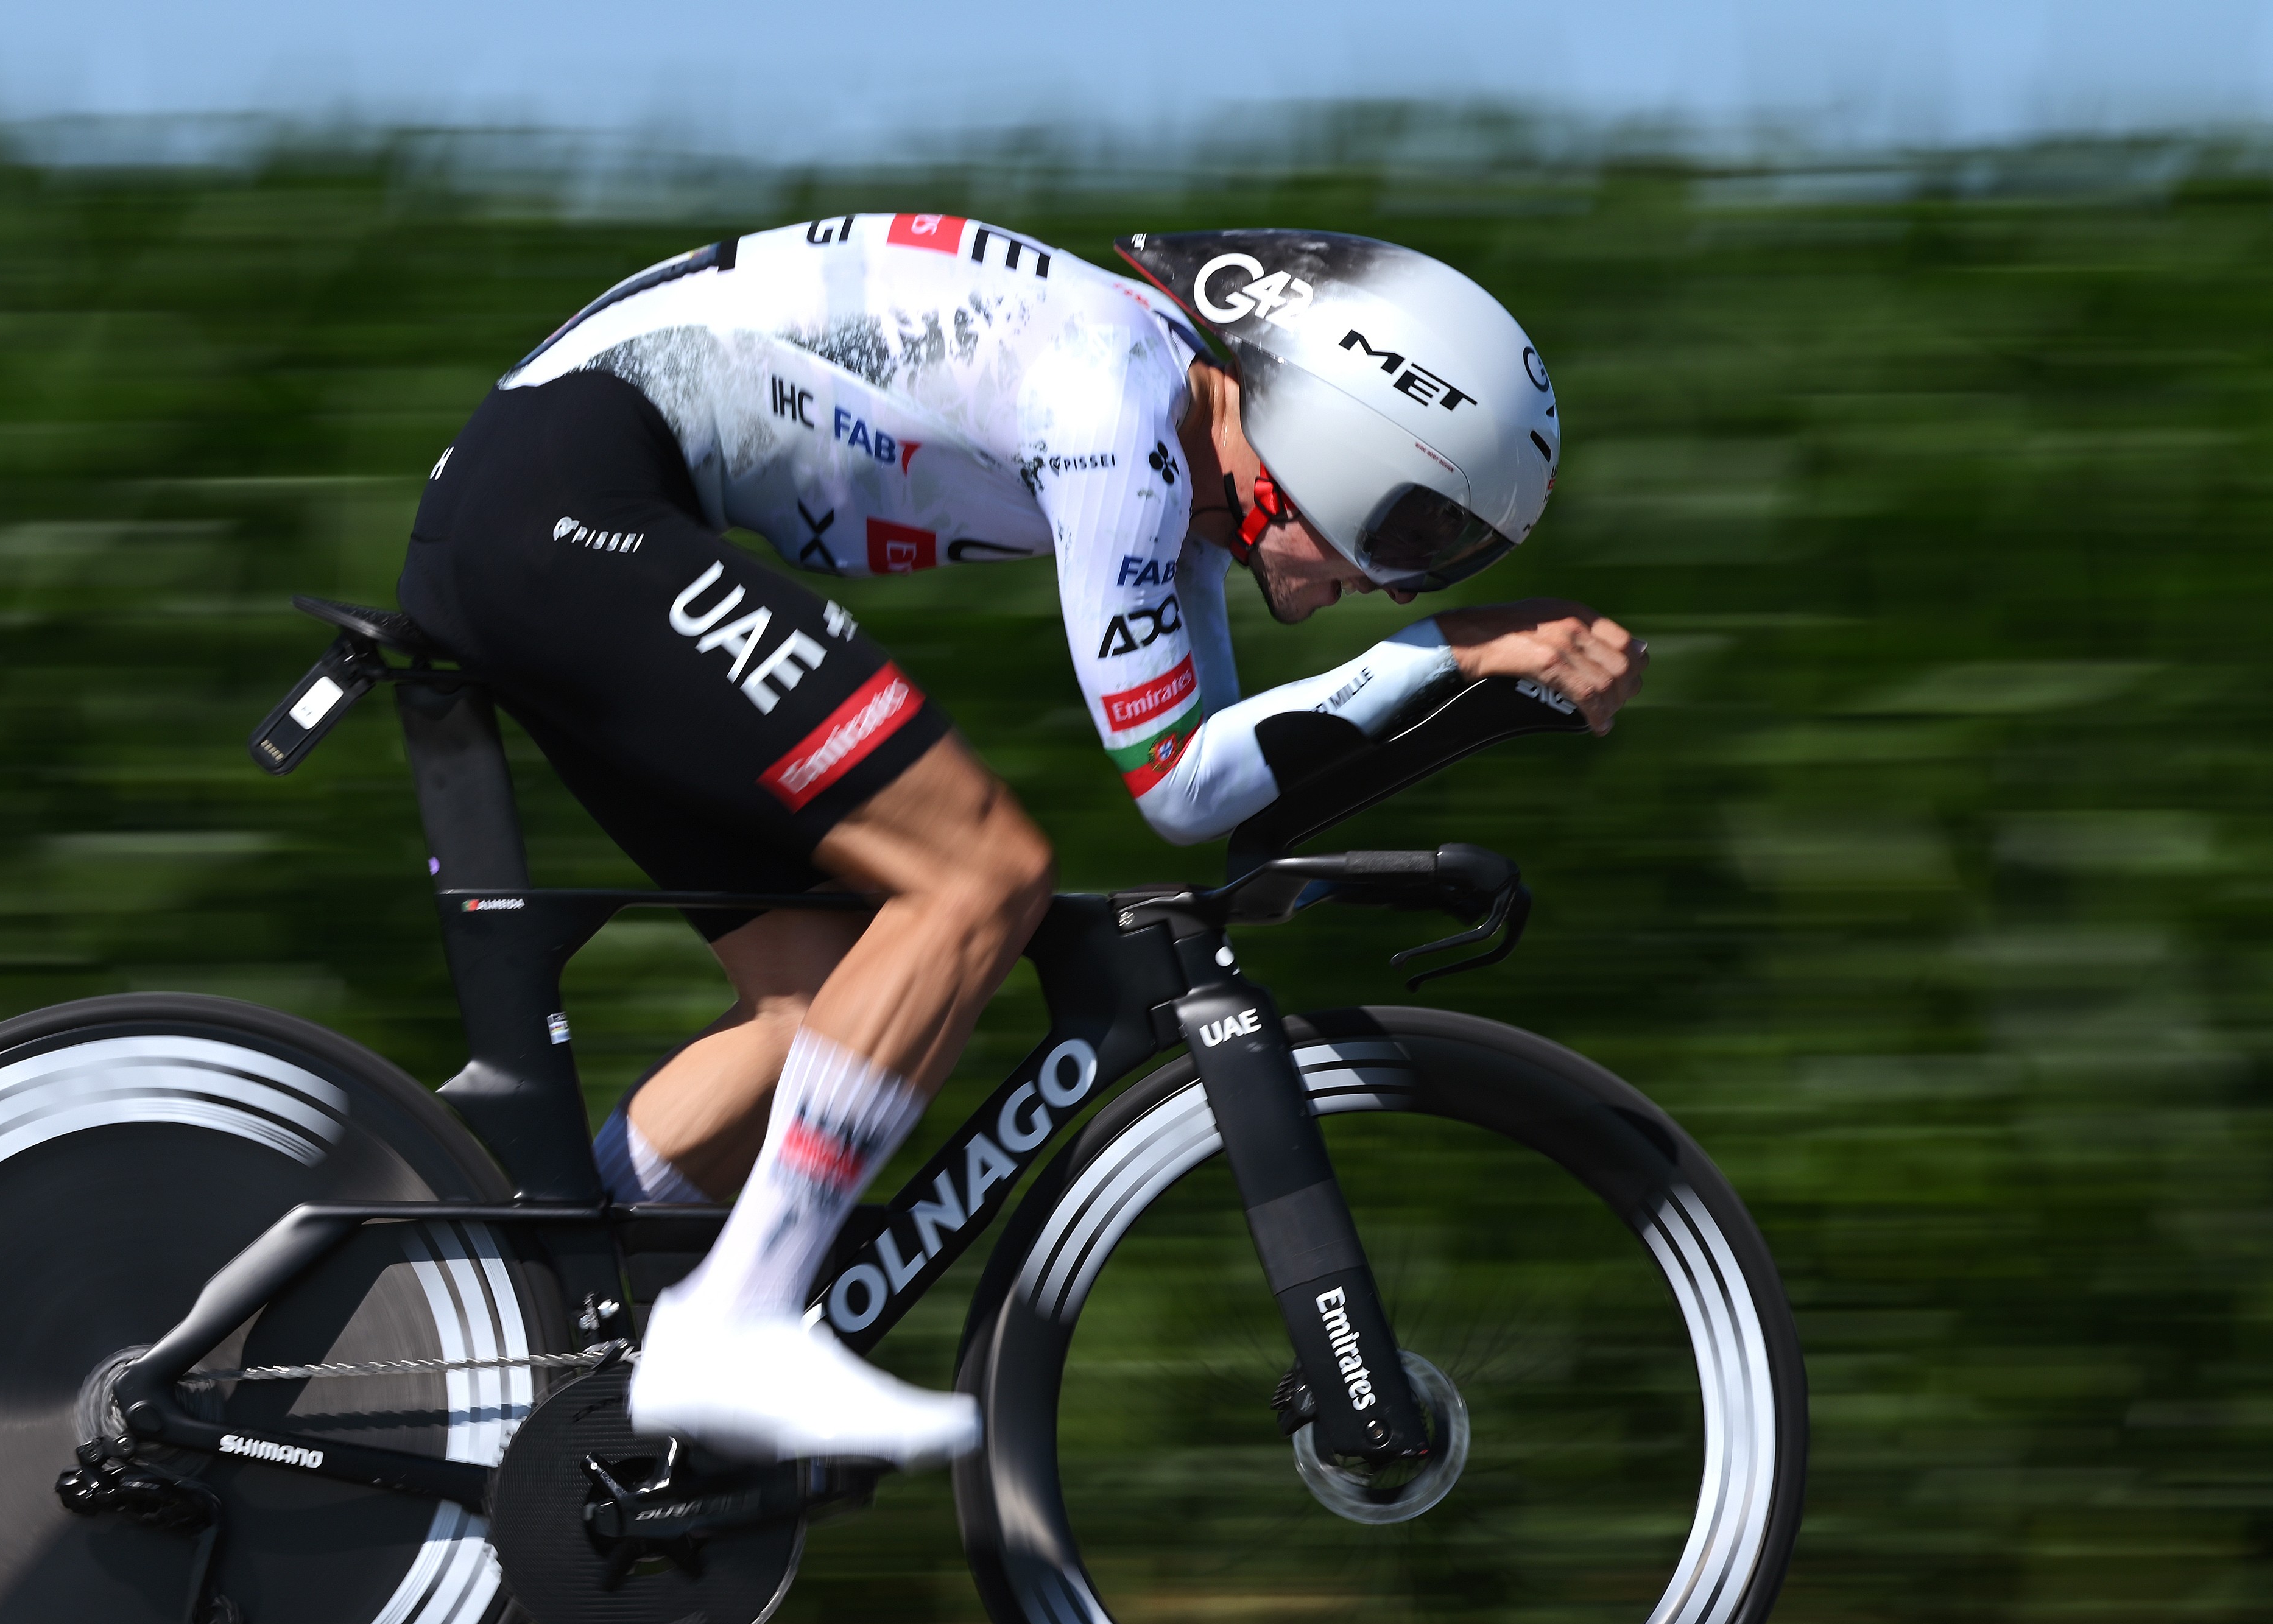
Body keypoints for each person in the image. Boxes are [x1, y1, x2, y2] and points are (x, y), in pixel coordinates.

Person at [395, 219, 1646, 1470]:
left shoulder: (1166, 445)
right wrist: (1450, 655)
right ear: (1329, 437)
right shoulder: (1120, 414)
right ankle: (736, 1318)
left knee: (828, 1000)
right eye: (1416, 530)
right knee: (981, 871)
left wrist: (1478, 706)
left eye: (1446, 560)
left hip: (556, 500)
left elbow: (1232, 800)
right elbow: (1179, 782)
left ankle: (502, 1324)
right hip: (566, 501)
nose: (1403, 582)